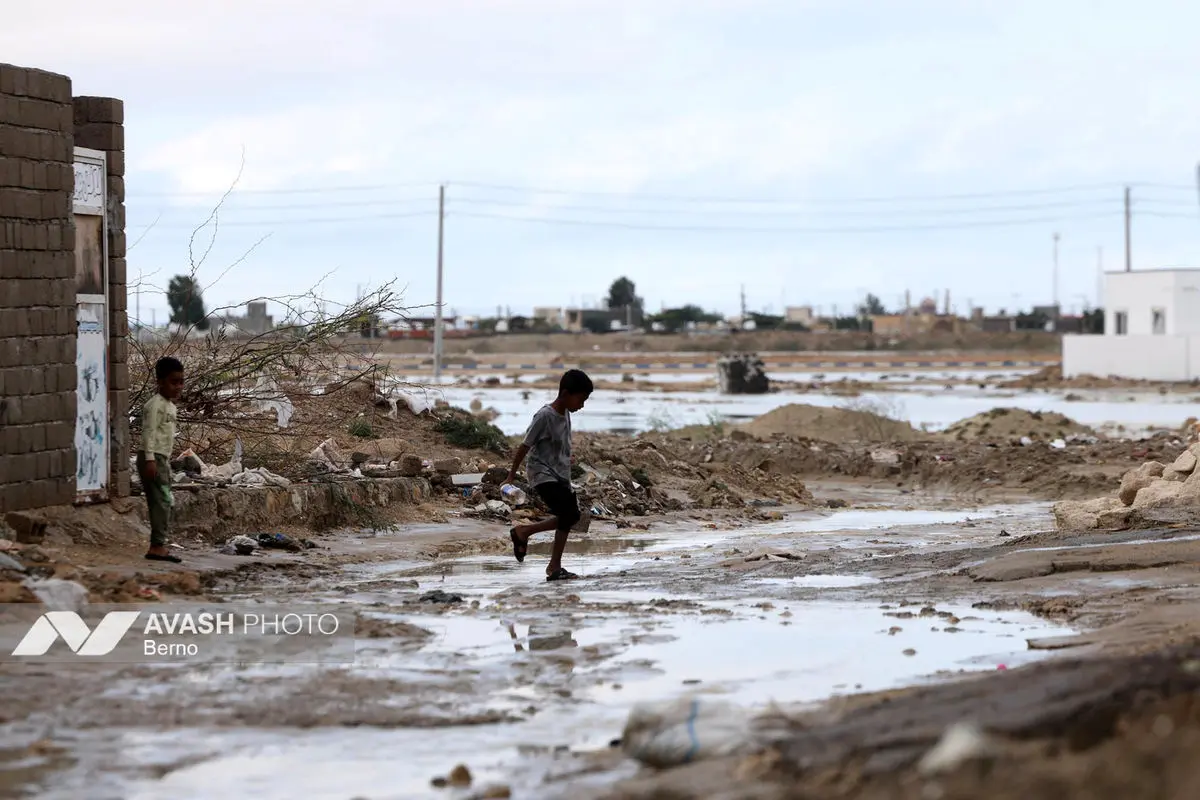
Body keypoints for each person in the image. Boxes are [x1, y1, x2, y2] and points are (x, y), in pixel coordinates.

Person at [506, 369, 593, 581]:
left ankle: (552, 564)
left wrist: (566, 458)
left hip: (560, 474)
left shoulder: (566, 414)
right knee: (570, 514)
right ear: (565, 393)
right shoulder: (544, 416)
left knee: (570, 517)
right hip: (542, 473)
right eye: (581, 399)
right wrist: (511, 475)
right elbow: (525, 445)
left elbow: (558, 443)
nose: (582, 405)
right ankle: (527, 536)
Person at [139, 356, 185, 563]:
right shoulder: (155, 405)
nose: (178, 387)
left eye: (181, 382)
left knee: (164, 501)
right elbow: (148, 433)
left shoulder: (170, 406)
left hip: (161, 459)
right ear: (160, 382)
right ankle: (157, 546)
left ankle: (159, 544)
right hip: (153, 458)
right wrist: (150, 460)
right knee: (162, 501)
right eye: (173, 382)